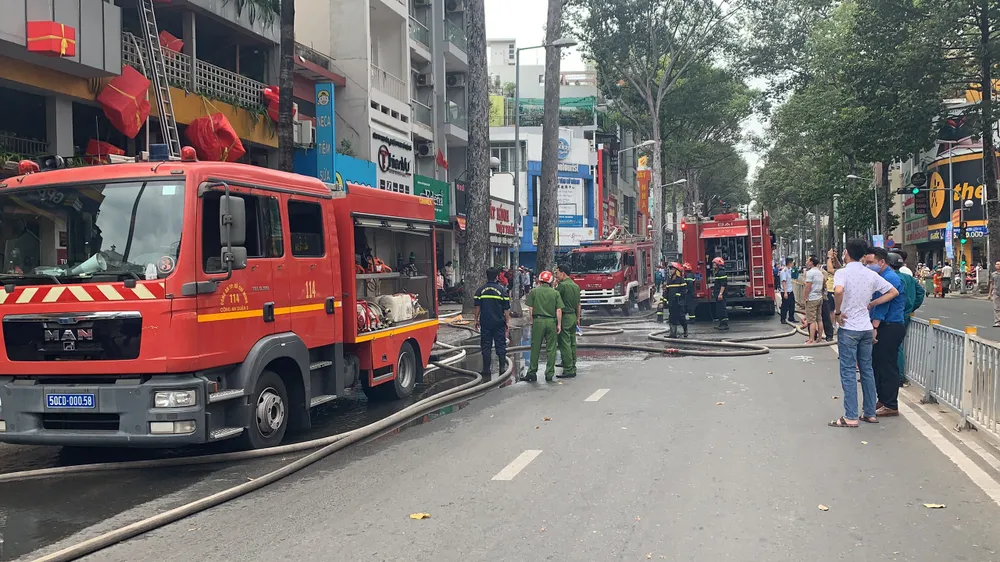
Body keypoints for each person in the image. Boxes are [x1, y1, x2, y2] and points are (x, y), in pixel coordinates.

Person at [829, 238, 899, 428]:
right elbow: (893, 292)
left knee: (849, 371)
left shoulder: (842, 273)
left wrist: (837, 312)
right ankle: (869, 412)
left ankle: (850, 416)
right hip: (866, 328)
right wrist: (872, 303)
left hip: (849, 327)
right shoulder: (870, 274)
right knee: (867, 370)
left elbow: (838, 291)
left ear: (846, 253)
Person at [865, 247, 907, 418]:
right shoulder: (881, 277)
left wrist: (874, 327)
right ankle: (883, 399)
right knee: (879, 364)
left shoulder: (890, 278)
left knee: (888, 366)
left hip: (890, 326)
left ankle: (891, 404)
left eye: (870, 263)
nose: (867, 266)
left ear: (881, 262)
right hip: (884, 325)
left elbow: (884, 305)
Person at [890, 251, 924, 386]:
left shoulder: (892, 278)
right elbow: (920, 292)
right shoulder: (908, 278)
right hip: (905, 315)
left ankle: (898, 376)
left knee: (895, 347)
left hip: (895, 317)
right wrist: (912, 309)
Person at [523, 271, 563, 382]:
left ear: (540, 280)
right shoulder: (555, 293)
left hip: (538, 321)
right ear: (550, 281)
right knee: (551, 348)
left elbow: (531, 309)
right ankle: (549, 373)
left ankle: (532, 372)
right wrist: (559, 324)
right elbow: (558, 310)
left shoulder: (534, 291)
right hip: (551, 322)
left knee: (535, 347)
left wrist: (532, 321)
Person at [473, 267, 511, 378]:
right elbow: (506, 309)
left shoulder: (480, 290)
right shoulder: (502, 290)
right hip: (499, 323)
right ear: (497, 276)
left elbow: (477, 307)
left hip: (485, 322)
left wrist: (476, 320)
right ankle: (502, 368)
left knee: (486, 346)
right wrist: (507, 322)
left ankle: (486, 370)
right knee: (500, 345)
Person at [555, 263, 582, 379]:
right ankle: (573, 365)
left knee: (564, 343)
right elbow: (579, 304)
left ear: (563, 273)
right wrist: (577, 318)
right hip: (573, 317)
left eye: (557, 273)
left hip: (565, 317)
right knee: (572, 342)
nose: (556, 276)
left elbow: (555, 301)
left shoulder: (562, 286)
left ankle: (568, 369)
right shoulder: (576, 286)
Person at [802, 256, 825, 344]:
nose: (807, 262)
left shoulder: (810, 273)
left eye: (808, 260)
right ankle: (819, 338)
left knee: (811, 320)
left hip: (812, 298)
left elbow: (808, 286)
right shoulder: (820, 272)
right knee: (819, 319)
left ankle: (811, 339)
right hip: (819, 297)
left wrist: (805, 298)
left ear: (811, 262)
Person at [665, 262, 689, 338]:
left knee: (681, 317)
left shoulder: (681, 280)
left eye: (672, 269)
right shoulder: (669, 281)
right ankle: (672, 334)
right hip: (672, 303)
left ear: (677, 270)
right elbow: (666, 292)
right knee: (672, 318)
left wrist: (678, 297)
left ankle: (685, 330)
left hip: (679, 303)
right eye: (670, 269)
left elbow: (684, 291)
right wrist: (664, 300)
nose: (671, 271)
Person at [710, 257, 729, 331]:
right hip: (718, 294)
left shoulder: (721, 273)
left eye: (714, 263)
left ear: (718, 264)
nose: (713, 265)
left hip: (721, 295)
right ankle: (721, 324)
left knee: (722, 309)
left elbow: (723, 284)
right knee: (719, 309)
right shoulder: (718, 273)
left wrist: (720, 294)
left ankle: (725, 324)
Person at [779, 258, 796, 324]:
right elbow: (784, 282)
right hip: (785, 291)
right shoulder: (784, 271)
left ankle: (791, 317)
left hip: (790, 290)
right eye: (792, 263)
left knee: (792, 305)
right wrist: (785, 292)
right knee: (785, 306)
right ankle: (783, 319)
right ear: (789, 263)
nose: (793, 264)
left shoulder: (789, 270)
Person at [989, 261, 1000, 327]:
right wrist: (989, 294)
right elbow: (991, 284)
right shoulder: (993, 274)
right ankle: (997, 321)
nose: (998, 265)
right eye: (997, 264)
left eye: (999, 264)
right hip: (996, 292)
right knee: (996, 308)